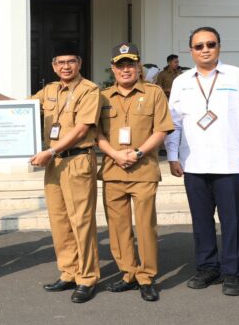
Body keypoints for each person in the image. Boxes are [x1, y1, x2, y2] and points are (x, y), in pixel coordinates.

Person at [0, 42, 102, 303]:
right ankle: (68, 272)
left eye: (71, 61)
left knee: (81, 221)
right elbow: (21, 110)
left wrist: (50, 151)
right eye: (60, 62)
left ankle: (87, 278)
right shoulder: (50, 91)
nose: (65, 66)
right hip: (54, 163)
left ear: (79, 63)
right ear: (53, 66)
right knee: (59, 220)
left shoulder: (89, 90)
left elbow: (82, 129)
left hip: (78, 160)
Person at [165, 26, 239, 296]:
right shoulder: (182, 81)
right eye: (199, 46)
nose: (205, 50)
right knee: (201, 220)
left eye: (210, 44)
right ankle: (208, 267)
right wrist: (173, 156)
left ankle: (232, 272)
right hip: (193, 163)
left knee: (231, 220)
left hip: (229, 162)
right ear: (191, 51)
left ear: (219, 46)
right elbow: (173, 122)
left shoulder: (237, 75)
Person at [96, 43, 174, 302]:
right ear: (113, 69)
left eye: (130, 64)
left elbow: (161, 129)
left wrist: (138, 153)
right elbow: (95, 133)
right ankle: (127, 272)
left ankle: (146, 276)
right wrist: (116, 154)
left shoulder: (154, 94)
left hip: (143, 170)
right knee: (118, 227)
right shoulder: (102, 96)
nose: (126, 69)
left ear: (139, 67)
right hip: (112, 169)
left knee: (144, 226)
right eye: (121, 65)